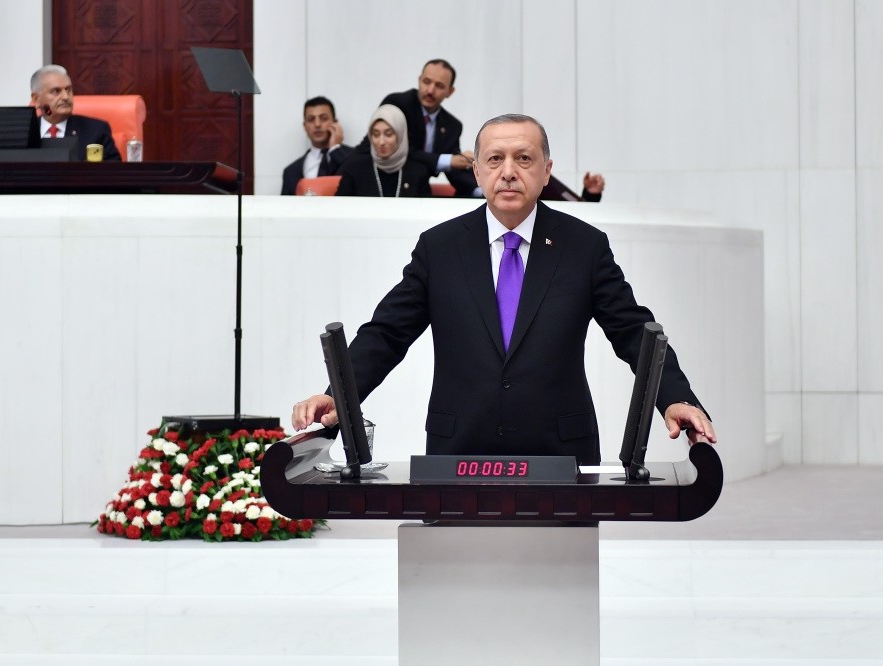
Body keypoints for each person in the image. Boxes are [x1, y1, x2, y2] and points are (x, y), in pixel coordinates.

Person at [292, 114, 716, 465]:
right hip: (459, 450)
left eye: (524, 158)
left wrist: (676, 399)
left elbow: (632, 331)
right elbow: (386, 334)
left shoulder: (583, 246)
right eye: (495, 159)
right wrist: (337, 397)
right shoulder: (440, 248)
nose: (508, 171)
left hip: (561, 453)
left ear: (547, 170)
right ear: (476, 170)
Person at [364, 59, 478, 197]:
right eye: (426, 82)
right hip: (383, 185)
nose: (430, 90)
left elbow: (454, 170)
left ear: (450, 91)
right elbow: (404, 151)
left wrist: (479, 189)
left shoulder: (452, 125)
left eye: (439, 86)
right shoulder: (398, 104)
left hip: (419, 189)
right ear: (419, 80)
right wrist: (449, 160)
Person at [335, 105, 430, 198]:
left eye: (388, 134)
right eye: (375, 134)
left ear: (400, 135)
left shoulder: (418, 172)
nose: (381, 142)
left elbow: (426, 211)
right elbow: (339, 209)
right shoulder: (354, 169)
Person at [29, 64, 120, 161]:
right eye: (56, 91)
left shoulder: (96, 131)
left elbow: (114, 172)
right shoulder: (24, 133)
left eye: (68, 90)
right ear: (36, 99)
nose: (66, 97)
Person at [281, 96, 353, 195]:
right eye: (311, 119)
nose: (317, 124)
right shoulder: (291, 172)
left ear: (335, 123)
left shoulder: (355, 158)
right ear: (305, 126)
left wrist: (335, 150)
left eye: (324, 118)